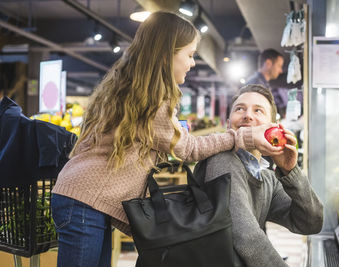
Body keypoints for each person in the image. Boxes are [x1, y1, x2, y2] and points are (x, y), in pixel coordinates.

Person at [51, 12, 282, 267]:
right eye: (190, 55)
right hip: (84, 200)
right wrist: (240, 137)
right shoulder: (151, 102)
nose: (192, 63)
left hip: (83, 198)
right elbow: (188, 149)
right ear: (166, 53)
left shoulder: (133, 89)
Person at [196, 84, 323, 267]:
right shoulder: (222, 161)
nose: (247, 115)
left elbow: (310, 222)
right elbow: (247, 238)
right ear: (228, 122)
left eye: (258, 110)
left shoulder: (265, 177)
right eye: (239, 109)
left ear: (273, 127)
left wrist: (290, 171)